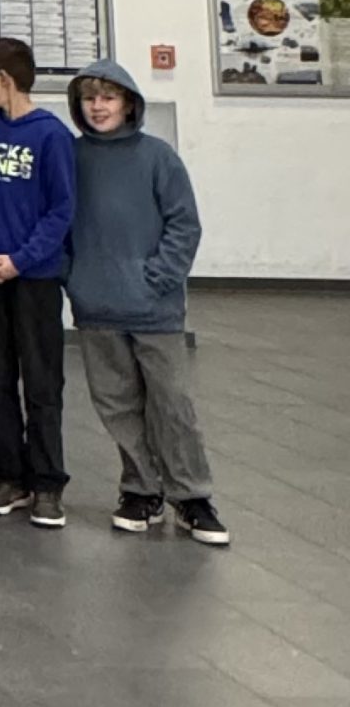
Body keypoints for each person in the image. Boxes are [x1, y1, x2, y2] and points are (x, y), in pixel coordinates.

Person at [68, 59, 224, 545]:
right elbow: (56, 221)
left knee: (171, 403)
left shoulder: (158, 157)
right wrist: (73, 278)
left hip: (155, 309)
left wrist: (159, 277)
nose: (98, 107)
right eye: (90, 98)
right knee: (116, 404)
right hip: (96, 305)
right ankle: (141, 489)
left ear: (129, 104)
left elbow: (184, 224)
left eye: (108, 97)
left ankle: (192, 496)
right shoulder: (71, 158)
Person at [0, 37, 77, 528]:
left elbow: (60, 210)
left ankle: (47, 482)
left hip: (35, 279)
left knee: (42, 382)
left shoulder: (51, 135)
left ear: (3, 80)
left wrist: (20, 260)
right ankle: (9, 476)